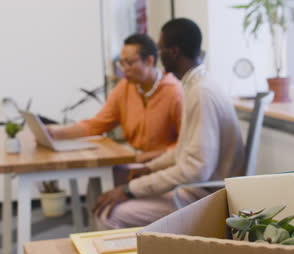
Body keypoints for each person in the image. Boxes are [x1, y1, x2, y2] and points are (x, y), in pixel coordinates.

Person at [93, 18, 245, 229]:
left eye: (160, 49)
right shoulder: (198, 85)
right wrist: (148, 169)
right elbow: (185, 150)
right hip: (197, 189)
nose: (158, 56)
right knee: (117, 200)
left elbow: (195, 169)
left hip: (205, 195)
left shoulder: (202, 92)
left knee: (110, 214)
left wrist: (129, 189)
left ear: (173, 52)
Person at [48, 34, 183, 163]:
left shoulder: (174, 92)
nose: (124, 69)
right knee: (98, 174)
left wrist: (151, 157)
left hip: (165, 162)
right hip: (135, 158)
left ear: (149, 61)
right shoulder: (125, 87)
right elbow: (97, 124)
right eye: (121, 63)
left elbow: (187, 143)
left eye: (129, 63)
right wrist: (56, 133)